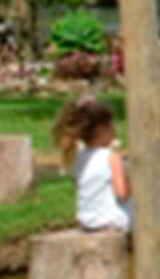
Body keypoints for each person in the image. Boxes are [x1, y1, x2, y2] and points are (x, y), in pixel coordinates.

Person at [54, 95, 131, 236]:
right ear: (102, 129)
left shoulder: (78, 157)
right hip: (109, 220)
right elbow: (122, 194)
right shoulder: (112, 158)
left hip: (86, 220)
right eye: (111, 126)